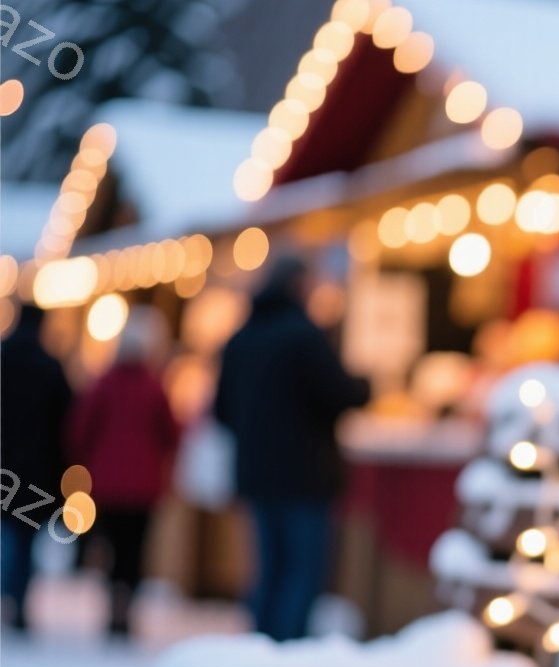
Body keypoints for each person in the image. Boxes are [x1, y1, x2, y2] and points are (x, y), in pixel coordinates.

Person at [213, 256, 369, 641]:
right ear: (299, 286)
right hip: (304, 474)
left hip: (256, 474)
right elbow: (340, 393)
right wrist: (367, 384)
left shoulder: (240, 339)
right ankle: (284, 657)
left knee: (268, 571)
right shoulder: (304, 337)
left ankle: (260, 651)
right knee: (302, 572)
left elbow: (220, 411)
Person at [68, 306, 180, 638]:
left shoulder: (103, 383)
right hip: (144, 484)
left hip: (107, 483)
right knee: (135, 548)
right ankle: (125, 604)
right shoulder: (154, 386)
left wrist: (88, 461)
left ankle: (113, 604)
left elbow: (80, 429)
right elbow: (171, 433)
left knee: (112, 546)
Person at [1, 302, 74, 634]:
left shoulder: (3, 358)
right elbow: (66, 422)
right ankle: (17, 600)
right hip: (34, 469)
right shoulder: (50, 366)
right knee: (24, 537)